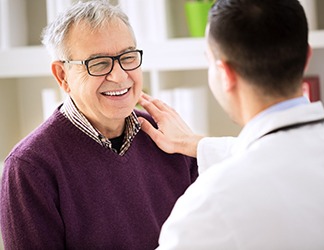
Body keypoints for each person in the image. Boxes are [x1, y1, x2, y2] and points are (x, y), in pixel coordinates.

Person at [138, 0, 324, 249]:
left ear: (225, 74)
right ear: (307, 57)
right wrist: (197, 144)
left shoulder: (208, 207)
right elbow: (286, 154)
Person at [0, 1, 198, 249]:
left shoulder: (169, 136)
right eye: (99, 63)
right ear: (63, 76)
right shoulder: (29, 167)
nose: (119, 75)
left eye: (127, 57)